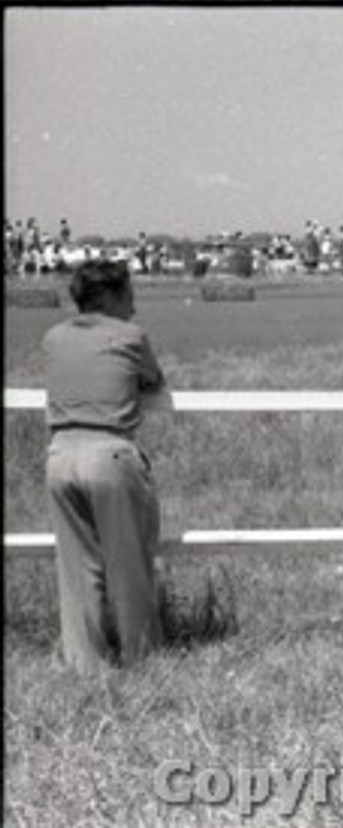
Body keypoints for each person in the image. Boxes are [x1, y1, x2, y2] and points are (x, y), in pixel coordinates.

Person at [43, 260, 168, 673]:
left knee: (76, 569)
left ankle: (85, 664)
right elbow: (153, 381)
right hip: (109, 454)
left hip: (59, 456)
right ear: (110, 296)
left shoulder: (54, 337)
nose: (133, 307)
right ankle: (142, 659)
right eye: (129, 296)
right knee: (129, 563)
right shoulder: (130, 336)